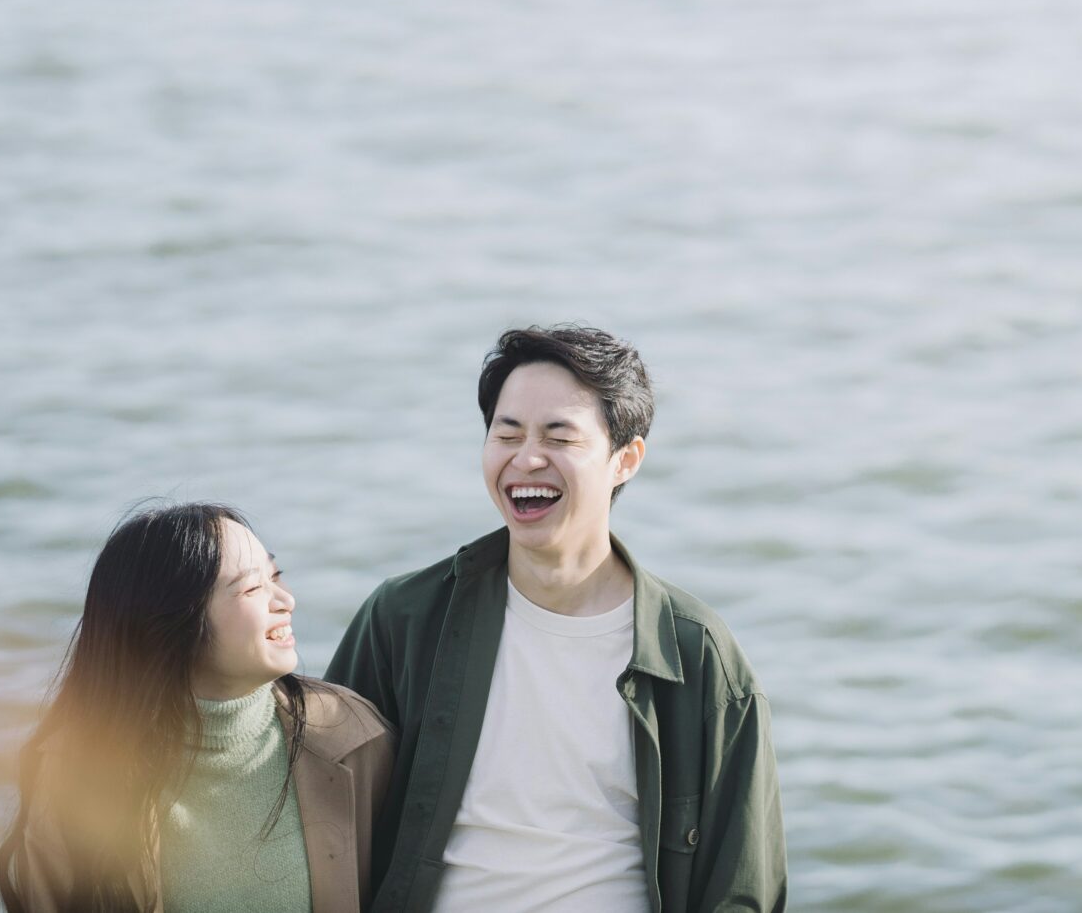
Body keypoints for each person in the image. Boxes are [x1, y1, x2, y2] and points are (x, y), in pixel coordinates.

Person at [326, 325, 785, 913]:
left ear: (626, 459)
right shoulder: (405, 619)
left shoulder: (698, 656)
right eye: (507, 433)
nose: (526, 458)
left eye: (557, 436)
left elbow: (742, 889)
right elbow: (317, 802)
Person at [0, 502, 395, 913]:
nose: (285, 600)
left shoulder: (352, 737)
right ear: (174, 624)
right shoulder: (74, 771)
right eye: (253, 588)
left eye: (275, 576)